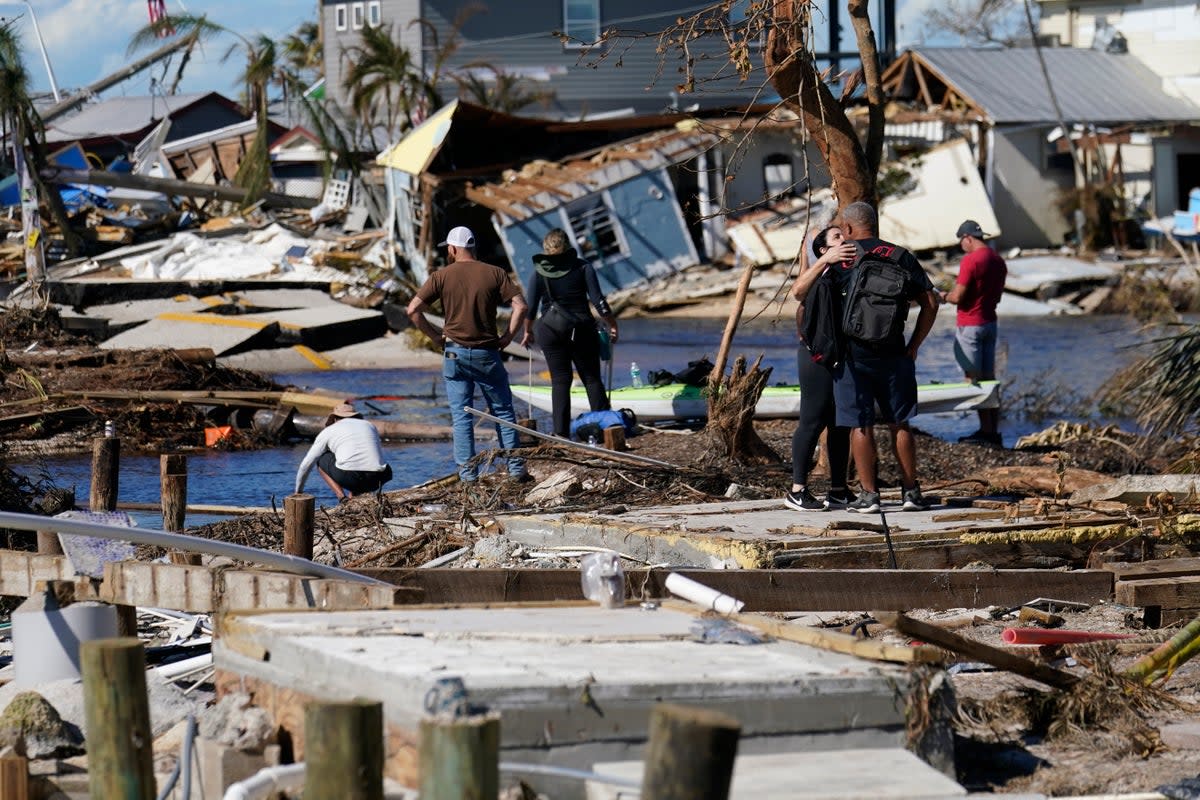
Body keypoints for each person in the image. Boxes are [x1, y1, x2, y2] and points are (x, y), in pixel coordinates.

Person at [833, 201, 940, 513]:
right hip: (895, 353)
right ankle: (911, 493)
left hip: (852, 355)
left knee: (860, 425)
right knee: (900, 423)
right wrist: (915, 345)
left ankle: (870, 496)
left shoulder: (844, 257)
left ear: (849, 229)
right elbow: (930, 302)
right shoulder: (899, 255)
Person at [406, 225, 530, 484]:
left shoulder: (441, 276)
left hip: (454, 354)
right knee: (503, 411)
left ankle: (468, 476)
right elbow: (520, 306)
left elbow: (413, 310)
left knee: (462, 416)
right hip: (487, 353)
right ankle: (516, 469)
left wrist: (436, 336)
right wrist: (507, 337)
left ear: (452, 249)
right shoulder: (495, 273)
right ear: (473, 247)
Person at [784, 224, 858, 511]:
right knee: (812, 421)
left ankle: (838, 489)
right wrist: (820, 259)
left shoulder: (846, 272)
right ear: (824, 250)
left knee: (840, 425)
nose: (844, 240)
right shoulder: (821, 273)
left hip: (840, 357)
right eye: (837, 237)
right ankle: (797, 490)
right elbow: (797, 291)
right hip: (815, 358)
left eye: (844, 235)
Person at [521, 228, 620, 439]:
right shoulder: (583, 267)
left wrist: (527, 331)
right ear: (567, 246)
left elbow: (530, 309)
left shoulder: (539, 272)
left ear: (545, 250)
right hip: (580, 329)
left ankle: (561, 434)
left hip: (548, 330)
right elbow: (599, 301)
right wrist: (612, 324)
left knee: (560, 381)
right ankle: (604, 429)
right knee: (591, 378)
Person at [942, 219, 1007, 447]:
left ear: (967, 238)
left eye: (962, 241)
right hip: (990, 323)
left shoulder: (971, 260)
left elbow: (958, 296)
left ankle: (984, 433)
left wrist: (942, 296)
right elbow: (997, 297)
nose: (962, 246)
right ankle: (993, 432)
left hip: (970, 325)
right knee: (990, 379)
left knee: (974, 380)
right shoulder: (998, 261)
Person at [294, 402, 392, 502]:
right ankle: (354, 497)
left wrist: (298, 492)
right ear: (356, 416)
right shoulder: (370, 425)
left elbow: (306, 464)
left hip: (352, 477)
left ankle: (342, 498)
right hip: (380, 477)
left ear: (335, 419)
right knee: (358, 463)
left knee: (321, 459)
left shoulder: (329, 430)